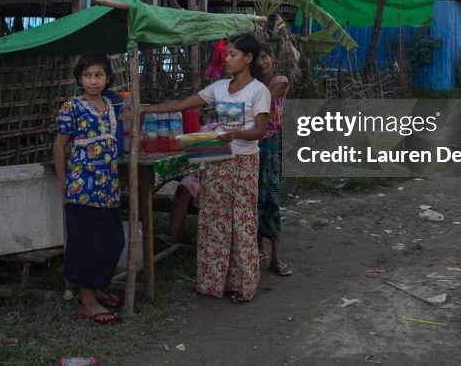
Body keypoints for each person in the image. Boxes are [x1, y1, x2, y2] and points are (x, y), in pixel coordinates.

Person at [141, 34, 270, 303]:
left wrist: (234, 135)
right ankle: (212, 283)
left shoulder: (260, 91)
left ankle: (242, 286)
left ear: (248, 58)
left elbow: (259, 130)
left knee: (241, 223)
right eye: (228, 54)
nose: (228, 59)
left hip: (243, 163)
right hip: (215, 161)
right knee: (214, 223)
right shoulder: (220, 87)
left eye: (233, 54)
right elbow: (183, 103)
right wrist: (144, 110)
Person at [53, 54, 125, 325]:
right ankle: (88, 302)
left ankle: (96, 288)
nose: (93, 81)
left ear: (108, 78)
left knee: (111, 239)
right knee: (87, 244)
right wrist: (64, 184)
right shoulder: (72, 107)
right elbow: (59, 146)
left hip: (108, 187)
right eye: (87, 75)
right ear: (79, 78)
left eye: (98, 75)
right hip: (83, 187)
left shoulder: (109, 104)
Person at [257, 44, 291, 276]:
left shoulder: (279, 81)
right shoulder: (252, 83)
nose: (262, 62)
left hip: (268, 145)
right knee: (253, 198)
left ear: (272, 58)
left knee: (270, 195)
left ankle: (276, 258)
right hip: (250, 144)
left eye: (264, 57)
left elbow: (265, 99)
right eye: (257, 58)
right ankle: (257, 250)